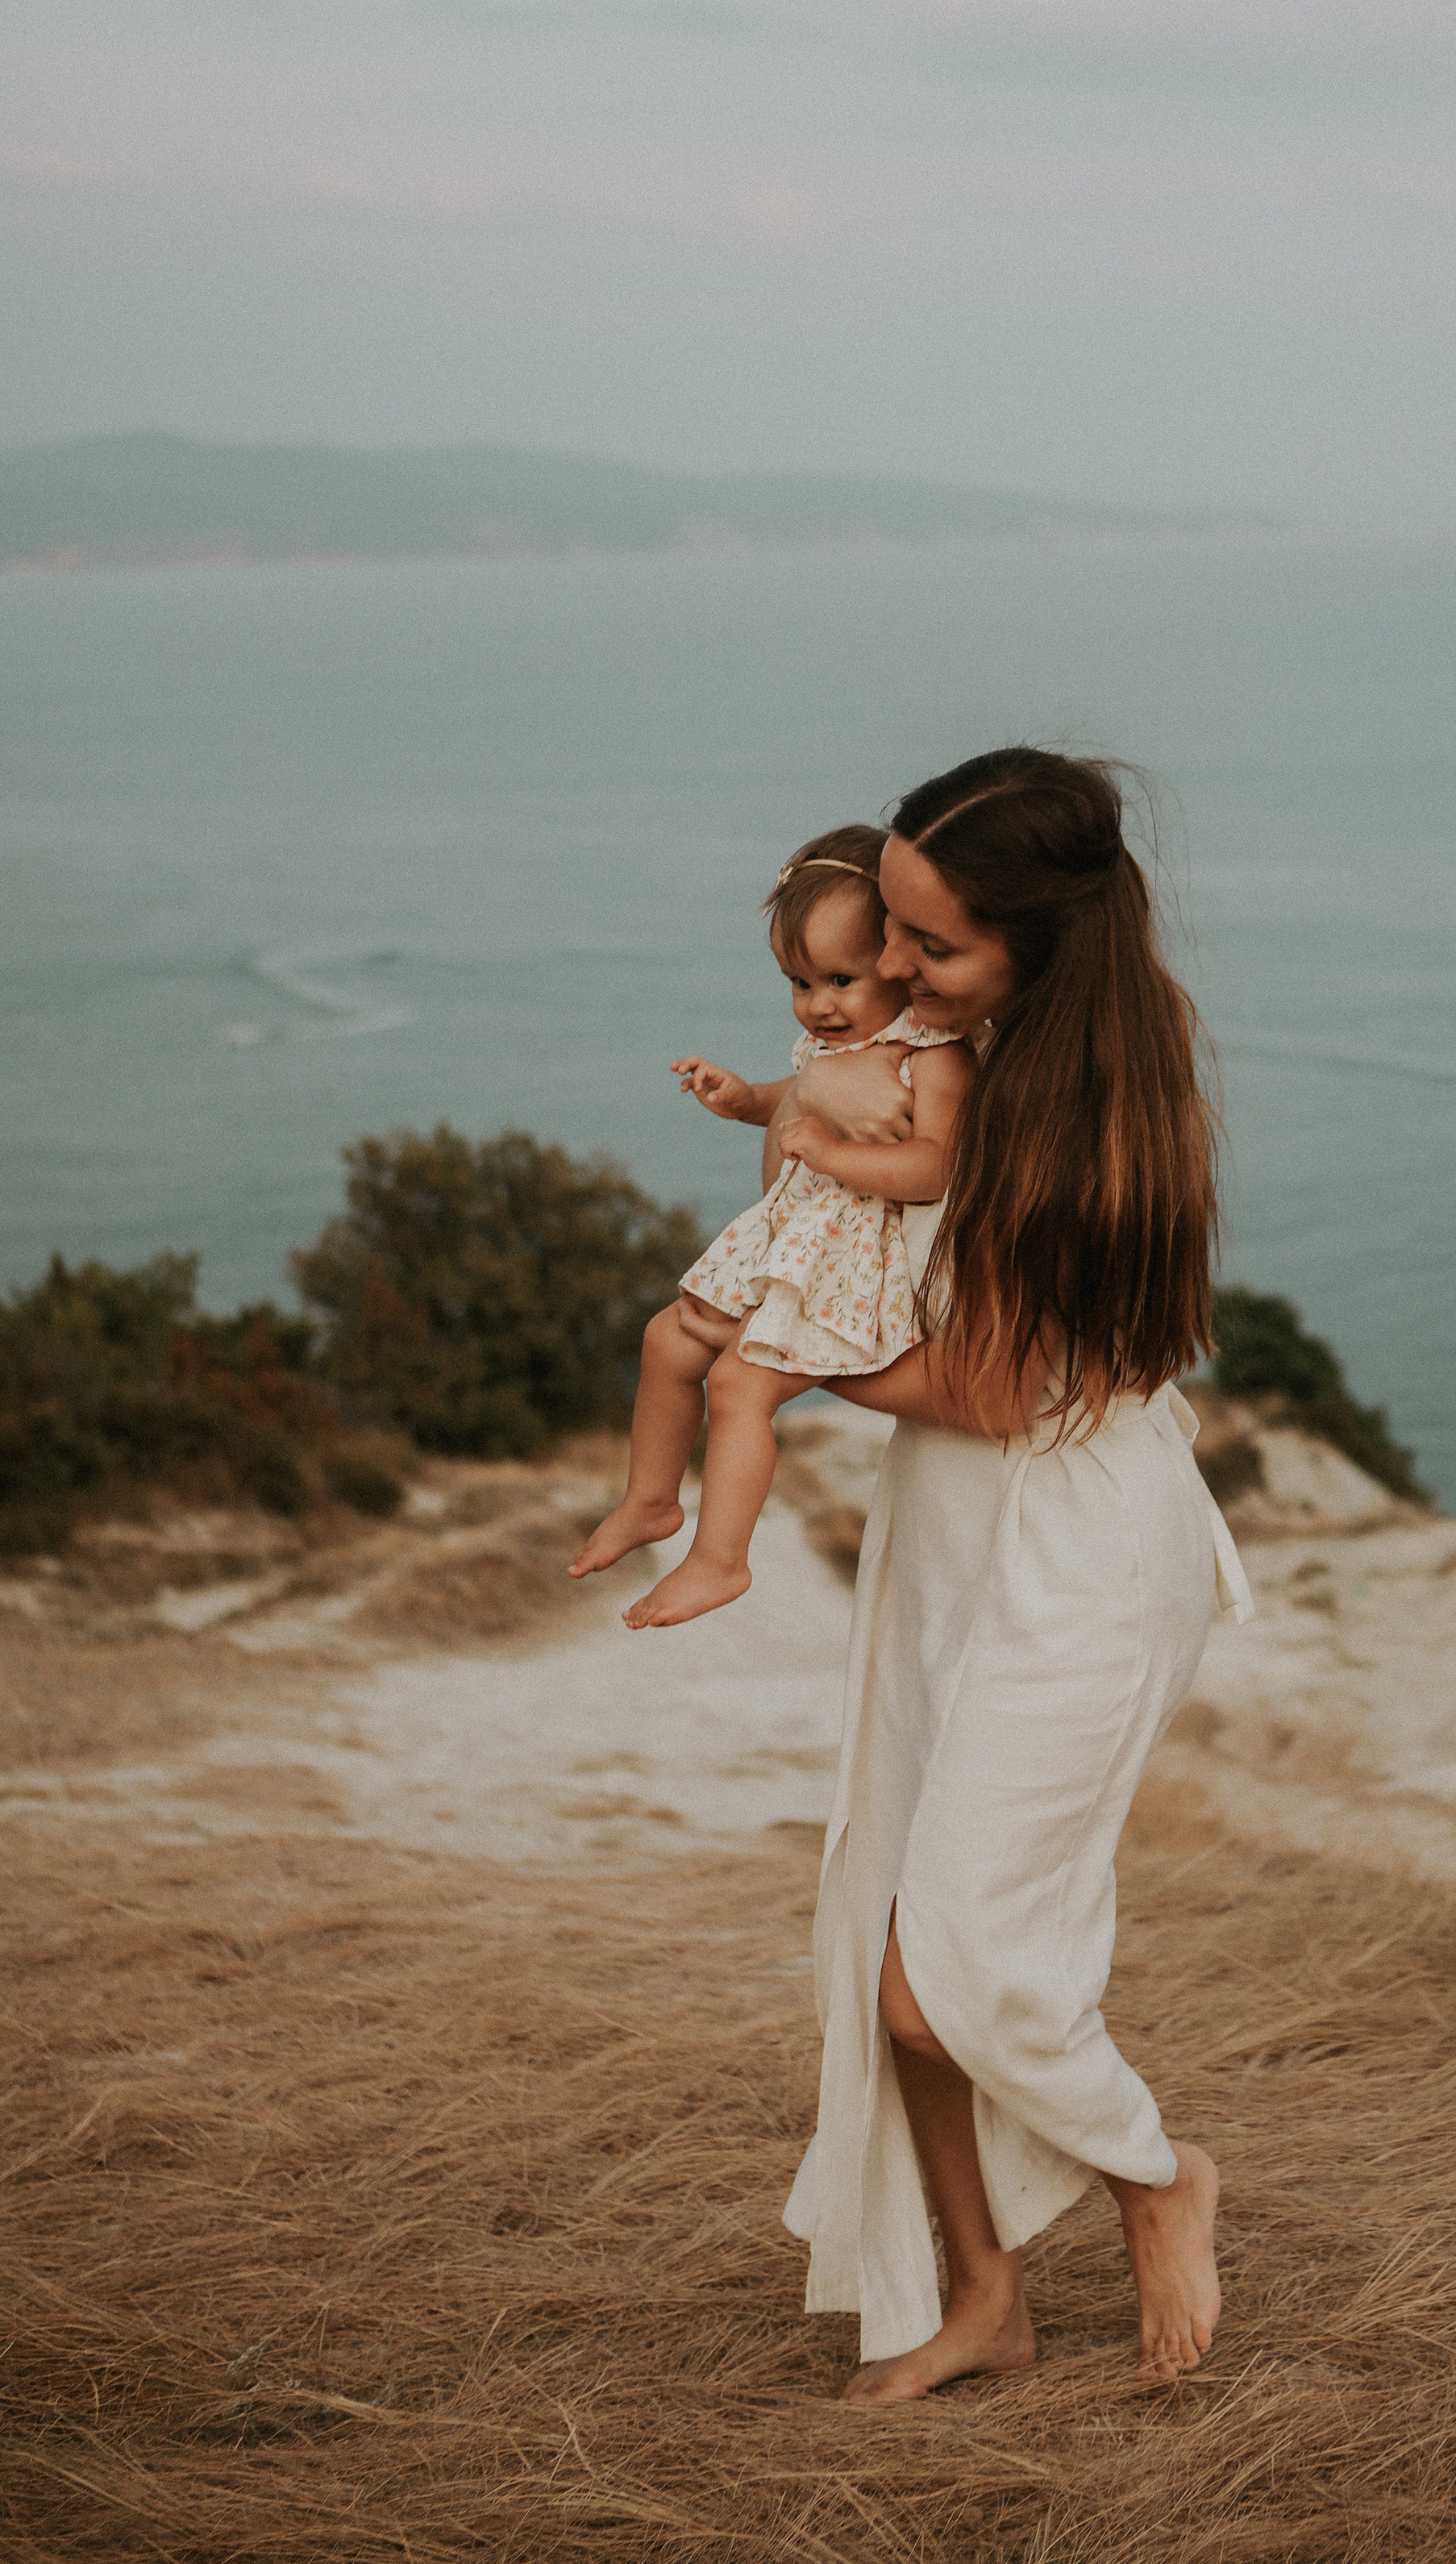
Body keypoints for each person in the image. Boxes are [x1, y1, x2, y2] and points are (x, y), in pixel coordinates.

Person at [776, 747, 1254, 2402]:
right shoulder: (948, 1060)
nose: (895, 971)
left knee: (950, 1977)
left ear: (1040, 949)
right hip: (944, 1533)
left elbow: (984, 1389)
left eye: (934, 947)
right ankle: (982, 2296)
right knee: (887, 1935)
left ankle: (1154, 2175)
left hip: (1076, 1552)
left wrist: (772, 1353)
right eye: (890, 930)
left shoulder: (1099, 1117)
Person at [567, 826, 974, 1632]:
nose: (818, 1004)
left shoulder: (936, 1059)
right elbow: (798, 1096)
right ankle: (650, 1500)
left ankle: (722, 1559)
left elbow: (934, 1168)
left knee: (739, 1384)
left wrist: (829, 1151)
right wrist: (743, 1099)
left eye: (841, 979)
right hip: (795, 1242)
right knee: (666, 1339)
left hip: (854, 1265)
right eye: (799, 982)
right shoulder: (838, 1044)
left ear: (897, 957)